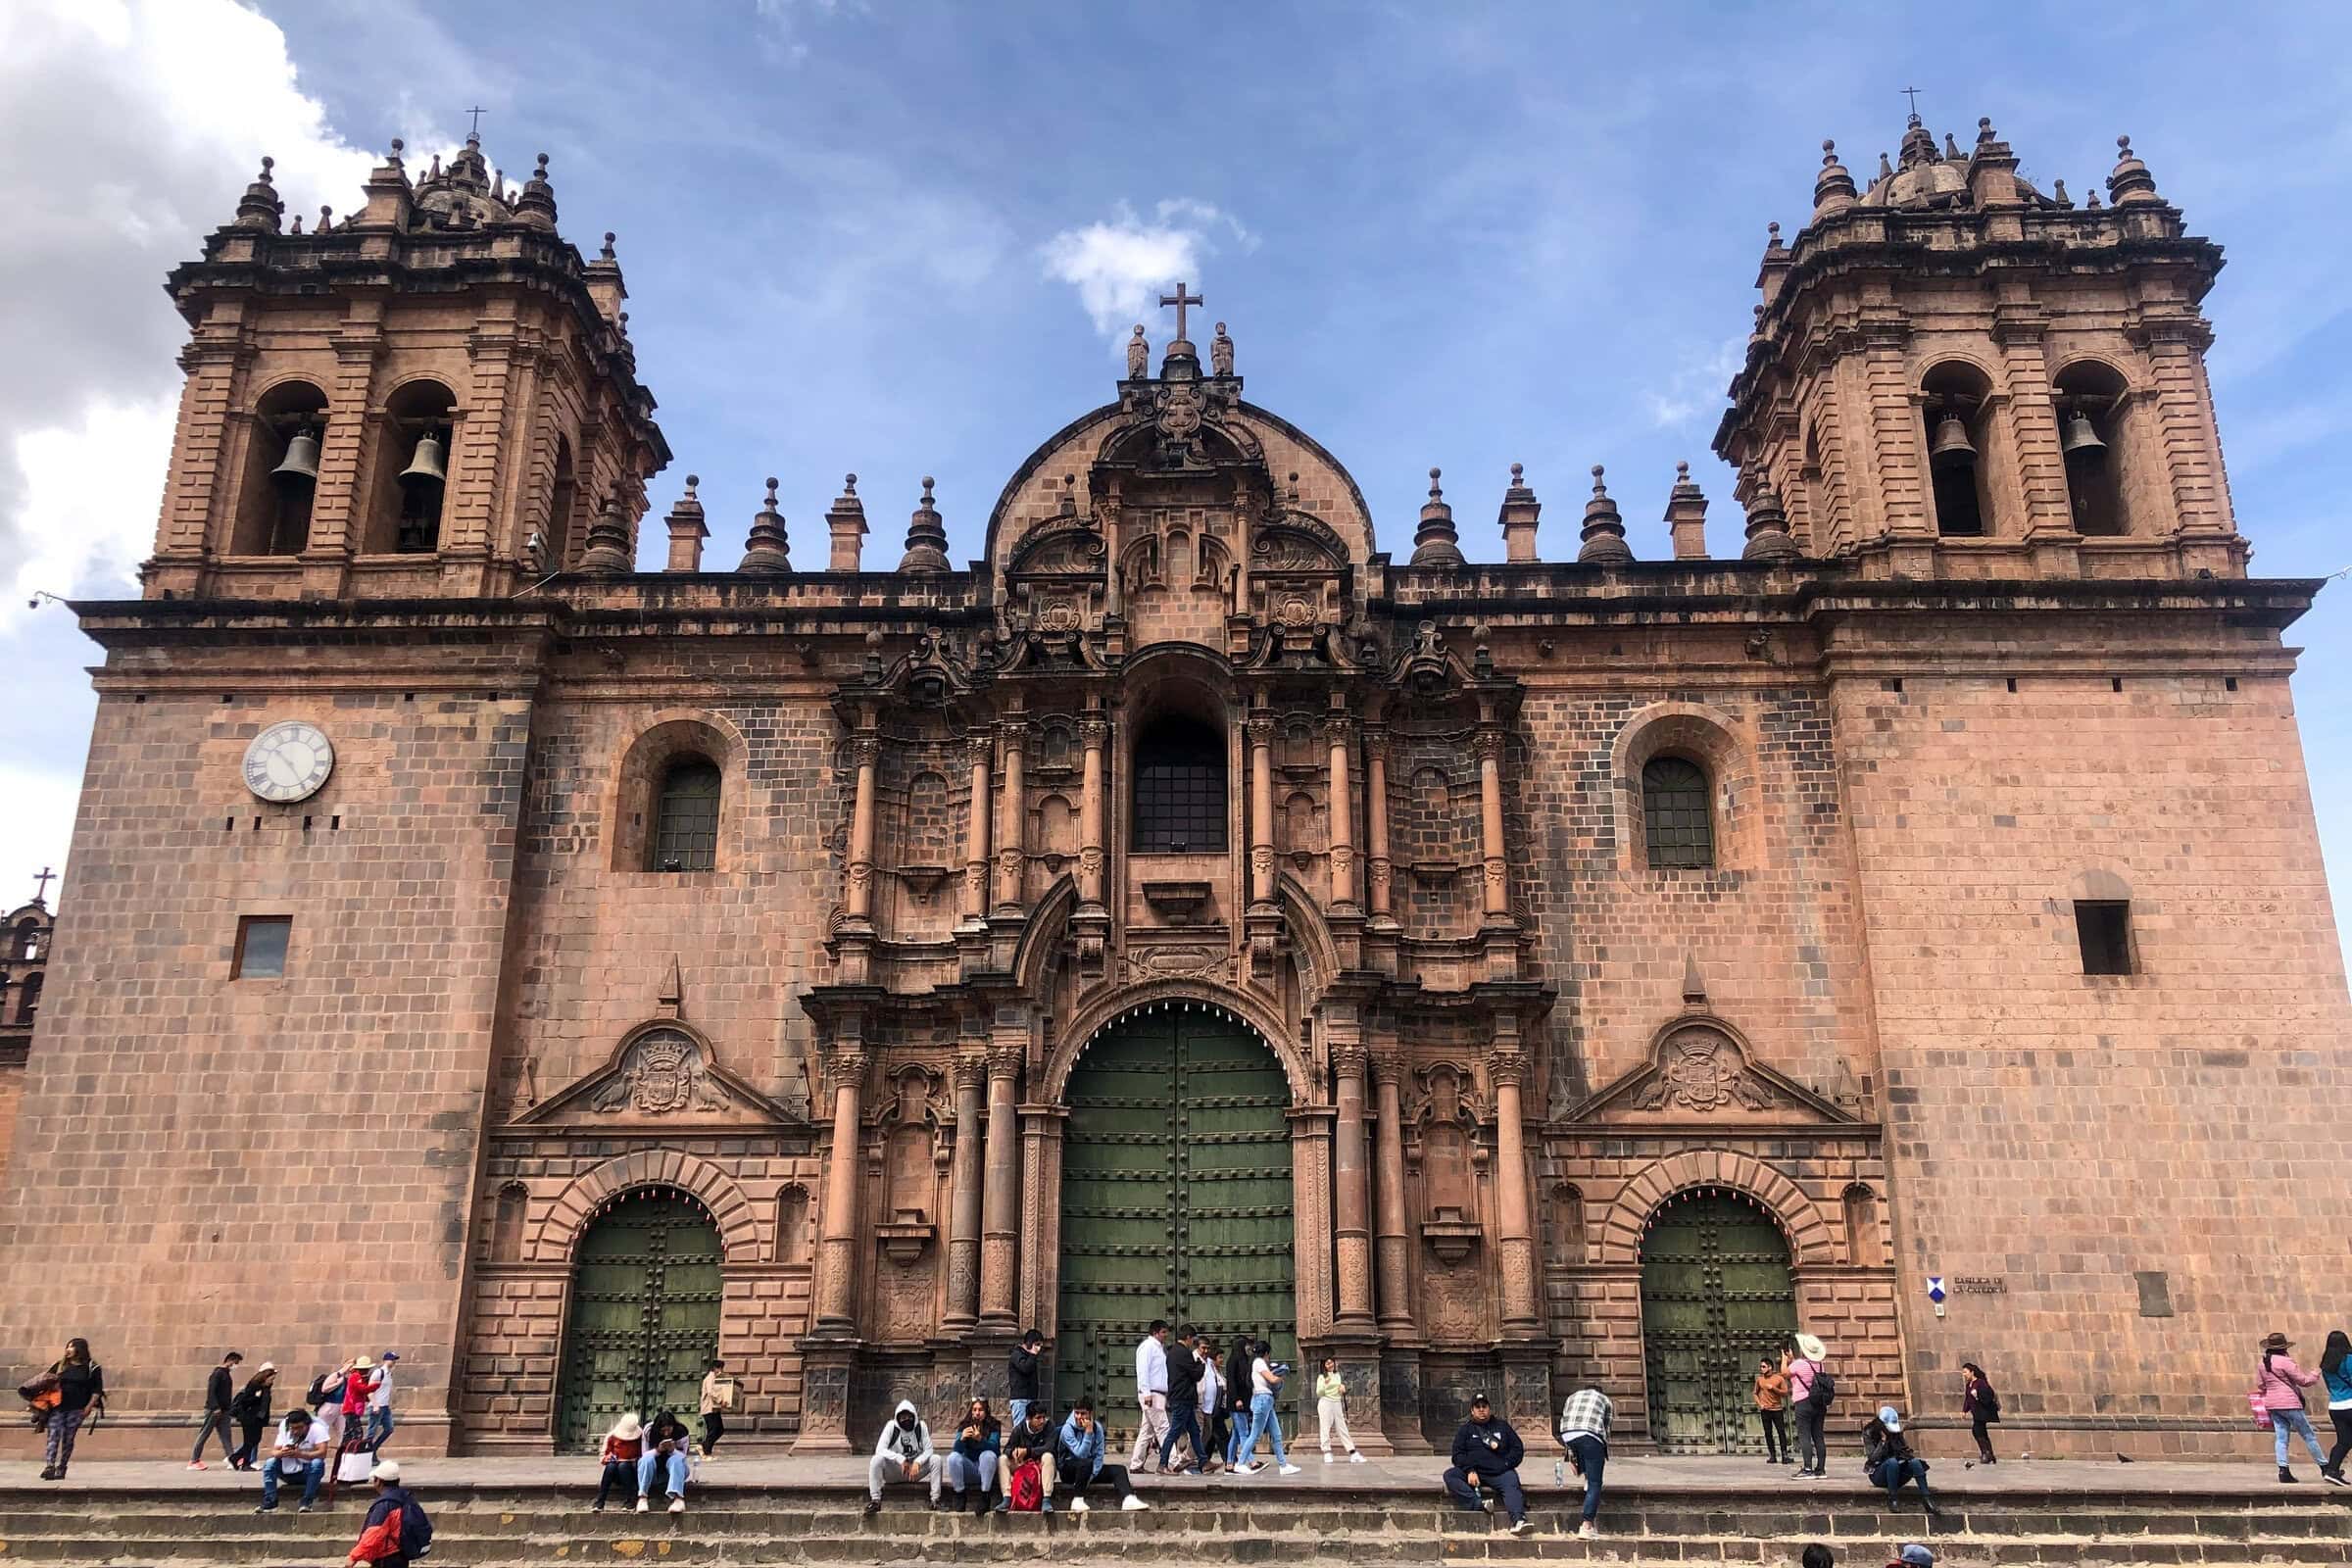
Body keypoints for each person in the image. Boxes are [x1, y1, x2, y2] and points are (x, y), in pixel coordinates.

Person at [1444, 1392, 1532, 1536]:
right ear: (1472, 1411)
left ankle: (1518, 1520)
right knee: (1450, 1475)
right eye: (1477, 1407)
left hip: (1499, 1472)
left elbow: (1517, 1448)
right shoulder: (1465, 1430)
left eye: (1484, 1406)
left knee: (1511, 1480)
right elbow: (1457, 1454)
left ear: (1489, 1408)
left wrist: (1506, 1464)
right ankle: (1479, 1503)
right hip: (1475, 1473)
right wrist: (1469, 1470)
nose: (1481, 1410)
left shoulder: (1502, 1427)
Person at [1052, 1397, 1147, 1511]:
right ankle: (1077, 1499)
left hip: (1089, 1471)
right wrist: (1088, 1433)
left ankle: (1129, 1498)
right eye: (1076, 1413)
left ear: (1090, 1413)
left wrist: (1091, 1475)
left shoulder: (1097, 1428)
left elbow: (1099, 1455)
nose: (1079, 1417)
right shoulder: (1067, 1430)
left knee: (1119, 1470)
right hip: (1069, 1471)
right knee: (1085, 1462)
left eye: (1083, 1413)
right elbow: (1080, 1454)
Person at [2256, 1331, 2327, 1482]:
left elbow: (2261, 1385)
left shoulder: (2262, 1363)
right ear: (2283, 1348)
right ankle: (2324, 1466)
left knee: (2281, 1438)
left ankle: (2283, 1470)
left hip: (2272, 1403)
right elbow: (2303, 1381)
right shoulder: (2285, 1362)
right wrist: (2315, 1373)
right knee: (2308, 1435)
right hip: (2289, 1402)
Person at [39, 1337, 106, 1481]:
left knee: (68, 1439)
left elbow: (97, 1389)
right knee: (53, 1435)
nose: (68, 1350)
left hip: (77, 1408)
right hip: (57, 1407)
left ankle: (62, 1467)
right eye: (67, 1347)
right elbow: (46, 1381)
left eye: (71, 1347)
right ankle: (49, 1466)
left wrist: (89, 1406)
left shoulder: (91, 1367)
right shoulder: (60, 1365)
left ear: (79, 1349)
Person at [346, 1458, 430, 1568]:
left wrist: (353, 1557)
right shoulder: (405, 1498)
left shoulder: (385, 1505)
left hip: (386, 1558)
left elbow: (374, 1534)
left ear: (379, 1481)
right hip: (402, 1556)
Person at [1237, 1338, 1301, 1475]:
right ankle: (1240, 1463)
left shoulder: (1257, 1363)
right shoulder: (1259, 1362)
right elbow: (1271, 1379)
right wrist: (1281, 1375)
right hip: (1262, 1399)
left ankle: (1283, 1465)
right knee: (1255, 1434)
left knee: (1276, 1434)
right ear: (1266, 1353)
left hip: (1266, 1400)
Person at [1558, 1383, 1613, 1540]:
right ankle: (1587, 1526)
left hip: (1568, 1434)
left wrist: (1569, 1454)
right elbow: (1606, 1429)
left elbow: (1566, 1421)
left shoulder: (1572, 1397)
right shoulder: (1605, 1400)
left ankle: (1583, 1469)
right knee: (1596, 1483)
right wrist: (1602, 1457)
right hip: (1590, 1436)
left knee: (1581, 1444)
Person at [865, 1398, 941, 1513]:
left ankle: (935, 1500)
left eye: (909, 1417)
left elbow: (929, 1450)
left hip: (914, 1472)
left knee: (936, 1459)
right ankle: (875, 1500)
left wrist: (918, 1462)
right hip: (896, 1471)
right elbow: (880, 1449)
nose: (906, 1420)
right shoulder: (892, 1427)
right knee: (876, 1460)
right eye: (903, 1418)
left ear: (914, 1416)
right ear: (898, 1418)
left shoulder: (921, 1427)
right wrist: (900, 1459)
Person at [1861, 1404, 1937, 1514]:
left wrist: (1905, 1457)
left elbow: (1904, 1450)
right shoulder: (1869, 1432)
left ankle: (1927, 1499)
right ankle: (1893, 1499)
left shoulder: (1896, 1433)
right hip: (1878, 1473)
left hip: (1898, 1472)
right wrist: (1882, 1442)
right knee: (1892, 1463)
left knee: (1915, 1462)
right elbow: (1872, 1458)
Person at [256, 1406, 328, 1513]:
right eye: (292, 1428)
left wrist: (300, 1454)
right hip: (287, 1470)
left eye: (299, 1428)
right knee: (269, 1463)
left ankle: (307, 1502)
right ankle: (270, 1502)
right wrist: (282, 1453)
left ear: (307, 1425)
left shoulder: (317, 1429)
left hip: (307, 1471)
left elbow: (322, 1453)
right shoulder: (284, 1429)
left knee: (317, 1463)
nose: (295, 1431)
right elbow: (274, 1452)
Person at [1160, 1326, 1206, 1473]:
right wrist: (1201, 1363)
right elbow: (1196, 1374)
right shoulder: (1183, 1353)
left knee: (1194, 1430)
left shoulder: (1172, 1351)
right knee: (1174, 1431)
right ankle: (1162, 1464)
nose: (1192, 1342)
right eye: (1192, 1339)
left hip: (1181, 1397)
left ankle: (1204, 1462)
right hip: (1182, 1398)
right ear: (1188, 1337)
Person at [944, 1396, 1002, 1513]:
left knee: (987, 1455)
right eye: (974, 1410)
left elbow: (995, 1449)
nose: (977, 1413)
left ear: (986, 1411)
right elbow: (956, 1450)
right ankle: (960, 1494)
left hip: (986, 1471)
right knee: (953, 1458)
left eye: (980, 1410)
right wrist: (962, 1438)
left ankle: (985, 1496)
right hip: (969, 1469)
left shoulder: (994, 1425)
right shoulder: (964, 1425)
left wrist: (981, 1439)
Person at [997, 1403, 1056, 1513]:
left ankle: (1046, 1499)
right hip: (1022, 1466)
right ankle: (1007, 1497)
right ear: (1029, 1418)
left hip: (1041, 1467)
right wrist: (1014, 1452)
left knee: (1048, 1457)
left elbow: (1050, 1447)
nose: (1042, 1421)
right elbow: (1007, 1449)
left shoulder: (1049, 1426)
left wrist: (1028, 1451)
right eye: (1038, 1418)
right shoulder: (1019, 1429)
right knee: (1002, 1459)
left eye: (1044, 1417)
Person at [189, 1349, 244, 1469]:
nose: (236, 1365)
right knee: (204, 1434)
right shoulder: (218, 1373)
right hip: (215, 1410)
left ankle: (231, 1458)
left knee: (226, 1435)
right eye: (235, 1362)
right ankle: (194, 1460)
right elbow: (211, 1391)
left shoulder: (226, 1374)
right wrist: (215, 1407)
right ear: (229, 1360)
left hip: (224, 1411)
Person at [1129, 1319, 1171, 1473]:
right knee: (1163, 1428)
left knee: (1147, 1431)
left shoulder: (1159, 1348)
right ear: (1155, 1333)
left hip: (1158, 1394)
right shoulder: (1147, 1347)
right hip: (1151, 1394)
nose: (1166, 1335)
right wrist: (1146, 1393)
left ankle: (1136, 1464)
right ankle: (1171, 1462)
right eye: (1163, 1332)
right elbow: (1142, 1371)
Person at [1787, 1333, 1831, 1478]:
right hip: (1819, 1403)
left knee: (1804, 1435)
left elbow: (1784, 1373)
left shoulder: (1800, 1364)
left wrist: (1785, 1359)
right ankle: (1821, 1469)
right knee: (1818, 1435)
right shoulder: (1820, 1365)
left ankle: (1807, 1469)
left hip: (1803, 1403)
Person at [639, 1408, 692, 1513]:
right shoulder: (649, 1430)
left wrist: (673, 1451)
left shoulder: (682, 1431)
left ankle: (678, 1498)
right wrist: (658, 1450)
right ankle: (642, 1497)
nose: (666, 1433)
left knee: (676, 1459)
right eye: (663, 1431)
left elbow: (683, 1457)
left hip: (675, 1472)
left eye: (669, 1430)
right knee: (647, 1459)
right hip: (654, 1472)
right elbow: (644, 1454)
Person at [1314, 1355, 1365, 1463]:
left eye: (1331, 1362)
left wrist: (1342, 1389)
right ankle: (1327, 1452)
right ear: (1324, 1365)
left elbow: (1339, 1388)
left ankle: (1352, 1452)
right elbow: (1319, 1393)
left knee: (1342, 1427)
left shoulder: (1337, 1375)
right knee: (1325, 1427)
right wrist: (1325, 1384)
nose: (1330, 1365)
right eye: (1328, 1363)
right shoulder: (1321, 1377)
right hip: (1325, 1402)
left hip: (1336, 1403)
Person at [229, 1362, 277, 1470]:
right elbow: (245, 1401)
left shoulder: (266, 1387)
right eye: (271, 1379)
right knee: (250, 1441)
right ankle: (242, 1461)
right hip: (249, 1417)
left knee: (254, 1440)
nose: (272, 1381)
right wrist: (256, 1397)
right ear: (265, 1377)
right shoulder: (255, 1386)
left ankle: (237, 1458)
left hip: (258, 1418)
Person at [593, 1412, 645, 1511]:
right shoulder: (612, 1437)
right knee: (611, 1466)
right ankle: (600, 1501)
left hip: (633, 1472)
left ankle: (629, 1501)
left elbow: (644, 1455)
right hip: (615, 1472)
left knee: (624, 1466)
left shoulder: (640, 1437)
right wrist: (609, 1458)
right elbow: (603, 1457)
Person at [2322, 1328, 2352, 1486]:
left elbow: (2329, 1386)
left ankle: (2332, 1471)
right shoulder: (2348, 1359)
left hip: (2335, 1406)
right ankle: (2332, 1470)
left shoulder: (2325, 1363)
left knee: (2344, 1441)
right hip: (2350, 1404)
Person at [1224, 1330, 1257, 1467]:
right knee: (1244, 1433)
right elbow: (1231, 1382)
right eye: (1245, 1345)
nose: (1248, 1348)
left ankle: (1230, 1462)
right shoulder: (1233, 1361)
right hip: (1237, 1402)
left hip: (1244, 1401)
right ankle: (1251, 1461)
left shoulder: (1244, 1360)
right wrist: (1237, 1398)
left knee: (1236, 1434)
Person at [1196, 1338, 1227, 1474]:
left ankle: (1203, 1463)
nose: (1221, 1360)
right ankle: (1230, 1461)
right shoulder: (1201, 1364)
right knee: (1217, 1436)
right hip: (1205, 1406)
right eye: (1219, 1357)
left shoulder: (1213, 1367)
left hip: (1213, 1407)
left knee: (1209, 1437)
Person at [1960, 1361, 1999, 1465]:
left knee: (1977, 1430)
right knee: (1981, 1432)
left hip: (1983, 1412)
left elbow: (1989, 1395)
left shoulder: (1980, 1383)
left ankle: (1986, 1453)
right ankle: (1989, 1454)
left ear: (1972, 1372)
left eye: (1965, 1372)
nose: (1964, 1375)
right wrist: (1964, 1410)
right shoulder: (1969, 1385)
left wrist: (1977, 1396)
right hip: (1976, 1412)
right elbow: (1967, 1399)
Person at [1754, 1353, 1790, 1465]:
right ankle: (1772, 1455)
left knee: (1781, 1432)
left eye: (1764, 1366)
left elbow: (1785, 1392)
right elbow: (1755, 1393)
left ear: (1770, 1367)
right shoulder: (1759, 1379)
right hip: (1765, 1411)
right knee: (1768, 1433)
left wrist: (1774, 1388)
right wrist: (1760, 1404)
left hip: (1777, 1410)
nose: (1762, 1369)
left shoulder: (1779, 1378)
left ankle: (1784, 1455)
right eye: (1761, 1367)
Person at [1006, 1329, 1045, 1432]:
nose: (1039, 1348)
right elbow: (1025, 1368)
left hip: (1030, 1399)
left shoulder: (1030, 1357)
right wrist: (1032, 1354)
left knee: (1031, 1430)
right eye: (1037, 1344)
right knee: (1020, 1430)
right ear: (1030, 1343)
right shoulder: (1017, 1354)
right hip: (1021, 1399)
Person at [698, 1357, 731, 1459]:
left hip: (714, 1409)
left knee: (719, 1429)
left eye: (721, 1368)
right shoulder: (710, 1378)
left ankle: (704, 1447)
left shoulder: (715, 1378)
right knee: (713, 1430)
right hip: (709, 1409)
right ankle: (706, 1452)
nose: (720, 1370)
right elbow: (711, 1392)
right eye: (719, 1368)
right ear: (714, 1368)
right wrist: (721, 1400)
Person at [365, 1350, 399, 1451]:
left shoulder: (389, 1374)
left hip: (385, 1406)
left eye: (394, 1360)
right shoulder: (379, 1372)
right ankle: (368, 1451)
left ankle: (374, 1449)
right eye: (391, 1359)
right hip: (377, 1405)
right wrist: (375, 1404)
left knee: (389, 1429)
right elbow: (369, 1390)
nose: (393, 1361)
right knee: (372, 1431)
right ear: (385, 1360)